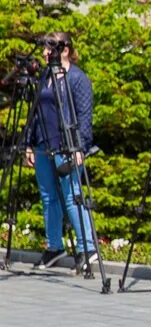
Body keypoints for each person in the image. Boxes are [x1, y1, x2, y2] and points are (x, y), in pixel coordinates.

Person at [24, 33, 97, 270]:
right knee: (48, 197)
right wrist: (28, 143)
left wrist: (80, 147)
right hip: (43, 143)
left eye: (49, 49)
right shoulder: (45, 75)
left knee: (72, 194)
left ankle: (88, 248)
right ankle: (54, 247)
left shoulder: (77, 78)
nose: (45, 54)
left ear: (64, 50)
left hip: (66, 145)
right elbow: (34, 112)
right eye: (45, 49)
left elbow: (85, 116)